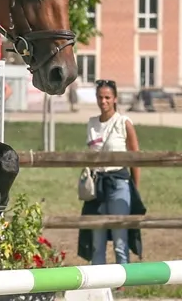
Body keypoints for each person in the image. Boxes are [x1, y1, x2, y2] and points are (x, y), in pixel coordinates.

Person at [78, 79, 147, 266]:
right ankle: (99, 283)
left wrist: (135, 189)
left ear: (115, 98)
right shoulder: (91, 123)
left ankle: (122, 280)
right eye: (100, 97)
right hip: (97, 185)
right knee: (97, 239)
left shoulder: (123, 123)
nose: (103, 101)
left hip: (118, 183)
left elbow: (135, 157)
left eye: (107, 97)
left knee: (119, 236)